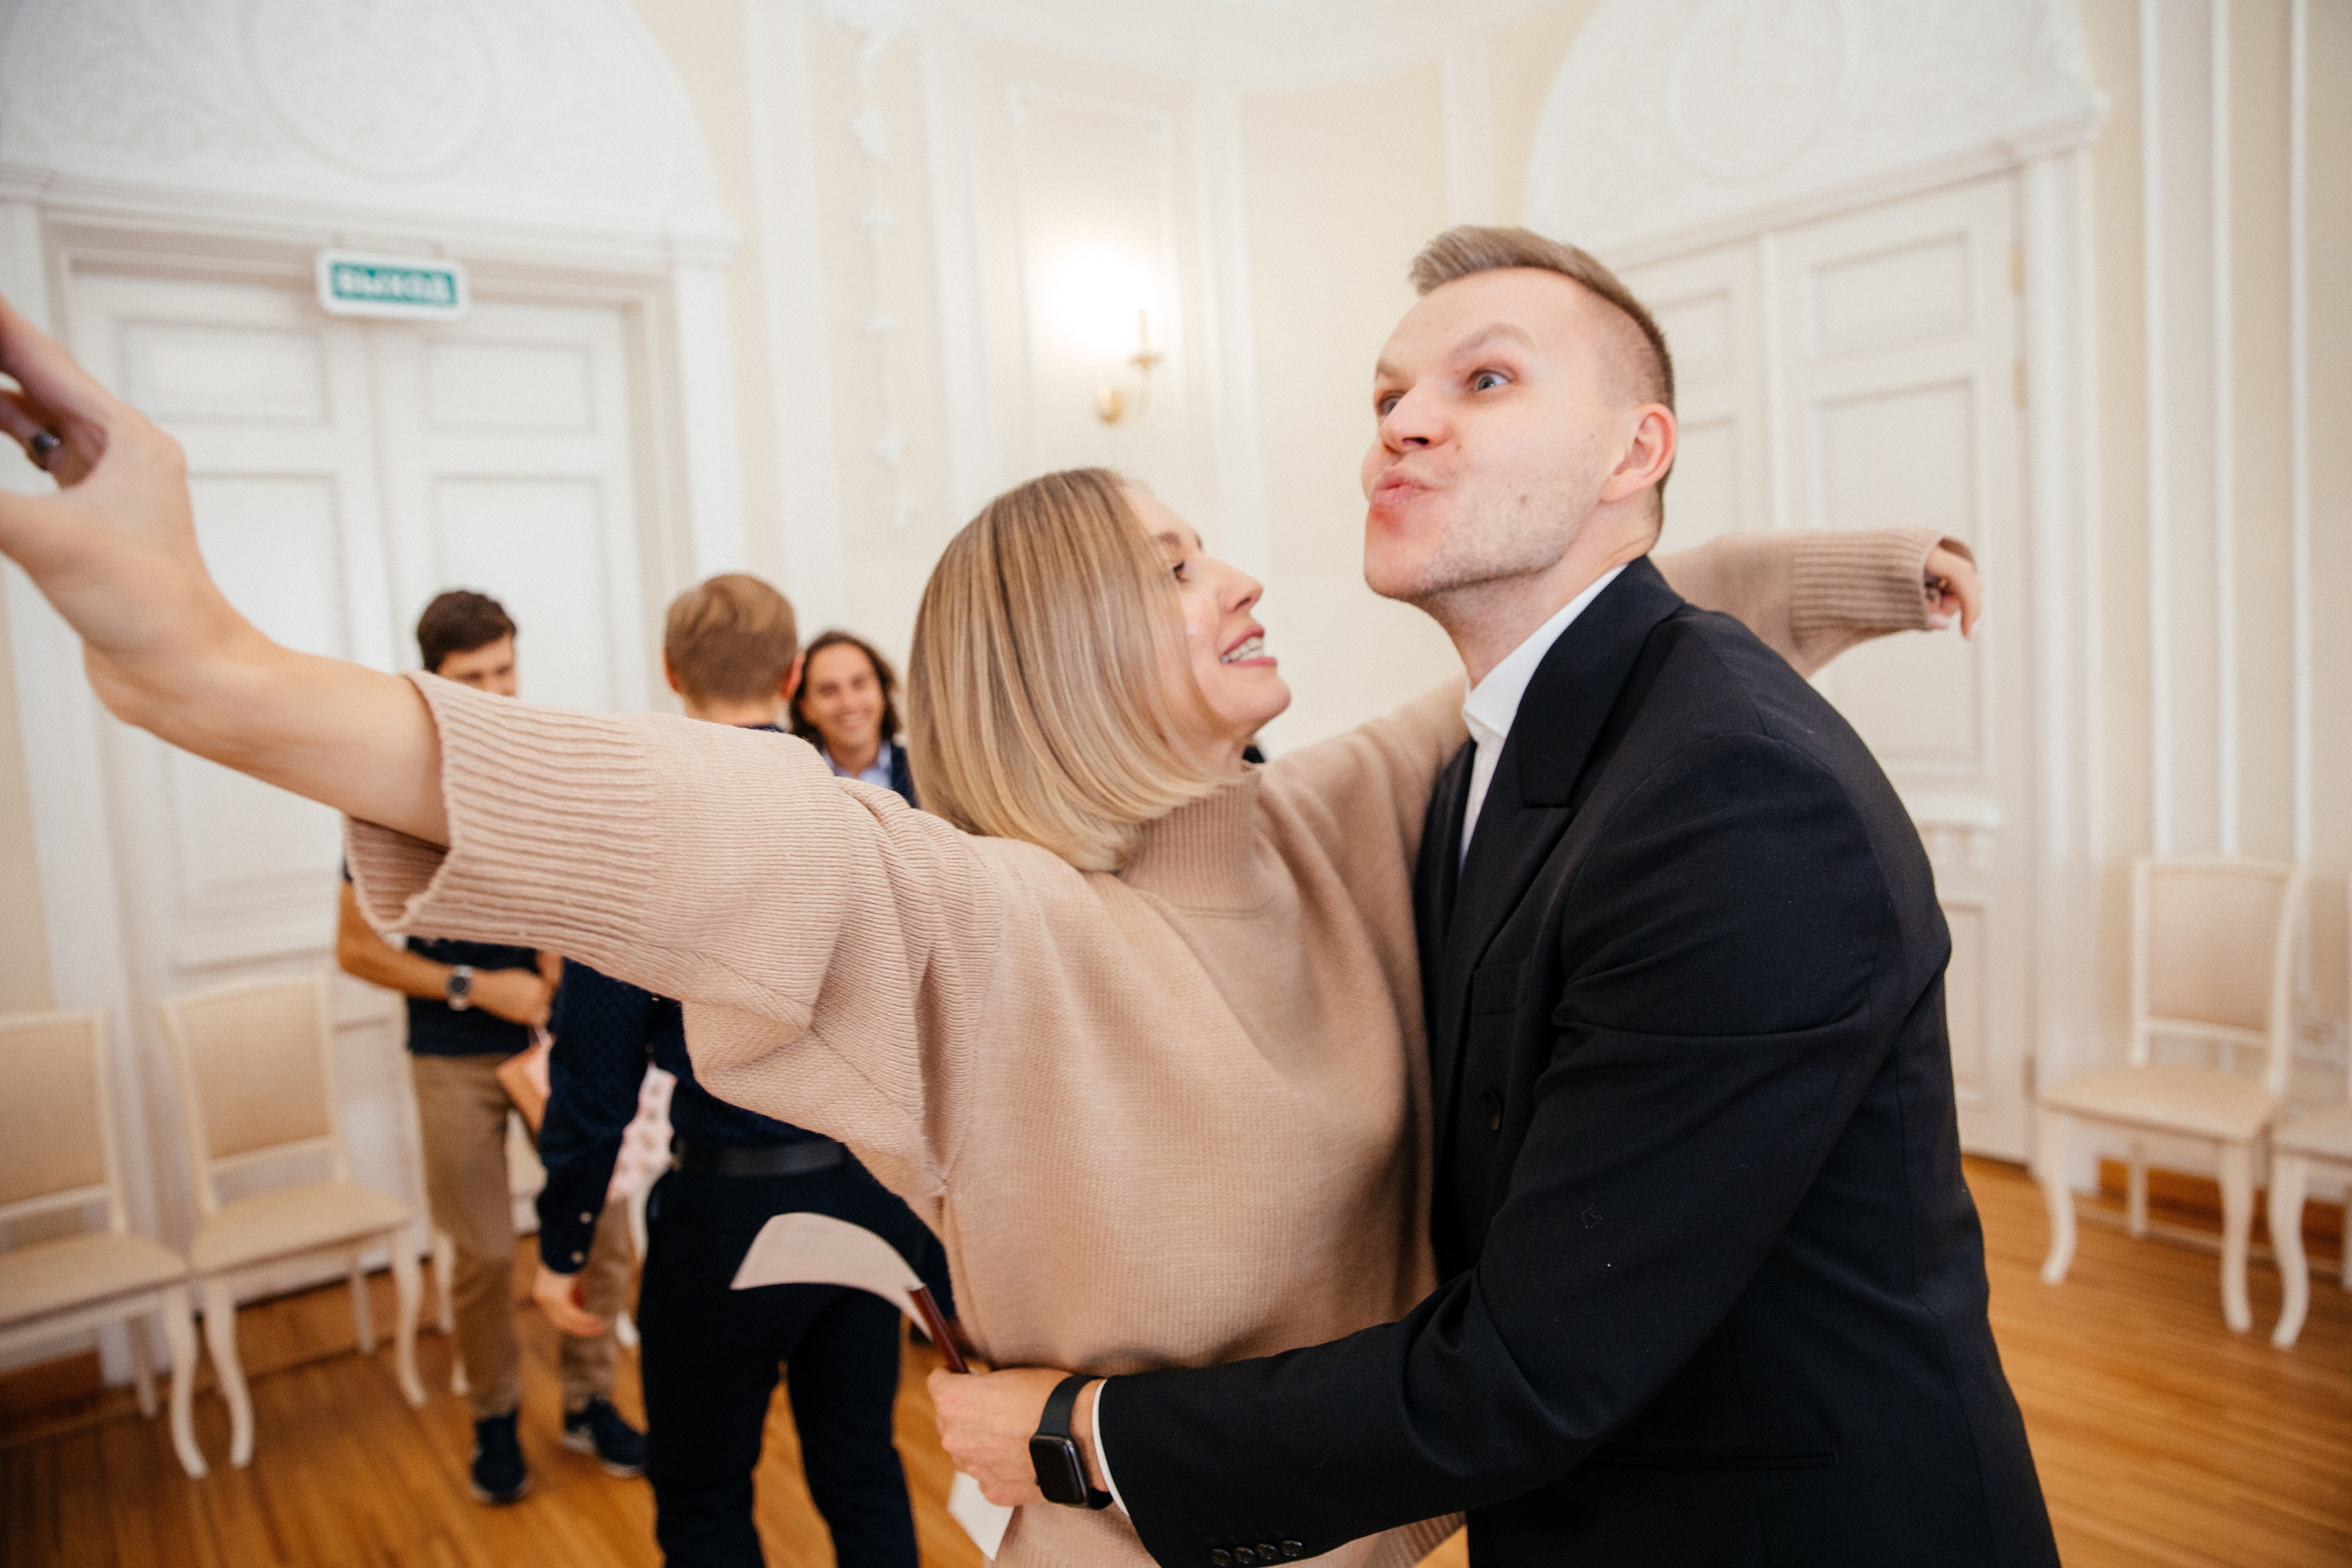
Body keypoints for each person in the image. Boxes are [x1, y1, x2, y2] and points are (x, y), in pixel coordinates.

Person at [0, 284, 1972, 1568]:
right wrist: (213, 668)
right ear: (1056, 651)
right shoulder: (986, 921)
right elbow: (730, 831)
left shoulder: (1345, 813)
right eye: (1173, 561)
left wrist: (1864, 570)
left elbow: (1600, 619)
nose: (1241, 571)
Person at [931, 229, 2056, 1568]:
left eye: (1484, 382)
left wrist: (1087, 1432)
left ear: (1633, 455)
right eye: (1387, 396)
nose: (1403, 424)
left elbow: (1530, 1367)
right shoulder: (1488, 761)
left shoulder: (1738, 793)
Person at [531, 573, 949, 1567]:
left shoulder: (634, 835)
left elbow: (594, 1079)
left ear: (671, 675)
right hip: (866, 1196)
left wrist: (563, 1242)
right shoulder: (872, 820)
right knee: (863, 1465)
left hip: (728, 1224)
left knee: (705, 1493)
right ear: (794, 676)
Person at [331, 588, 643, 1506]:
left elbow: (571, 893)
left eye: (507, 669)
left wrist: (558, 966)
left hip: (554, 1039)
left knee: (604, 1232)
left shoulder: (543, 760)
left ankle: (589, 1404)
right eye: (476, 678)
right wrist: (475, 985)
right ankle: (495, 1421)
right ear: (432, 683)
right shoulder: (384, 783)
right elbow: (355, 947)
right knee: (478, 1255)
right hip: (452, 1049)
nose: (499, 693)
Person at [789, 627, 918, 805]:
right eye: (828, 690)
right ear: (805, 708)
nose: (848, 703)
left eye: (859, 684)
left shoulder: (928, 774)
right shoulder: (790, 785)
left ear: (883, 692)